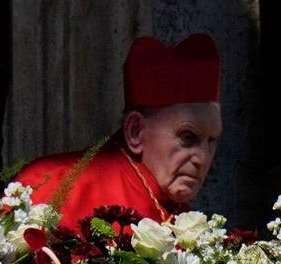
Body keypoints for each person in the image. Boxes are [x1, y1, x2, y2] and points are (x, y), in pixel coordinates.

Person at [14, 33, 222, 228]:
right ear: (135, 131)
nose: (203, 159)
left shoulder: (187, 224)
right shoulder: (49, 184)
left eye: (212, 140)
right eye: (188, 137)